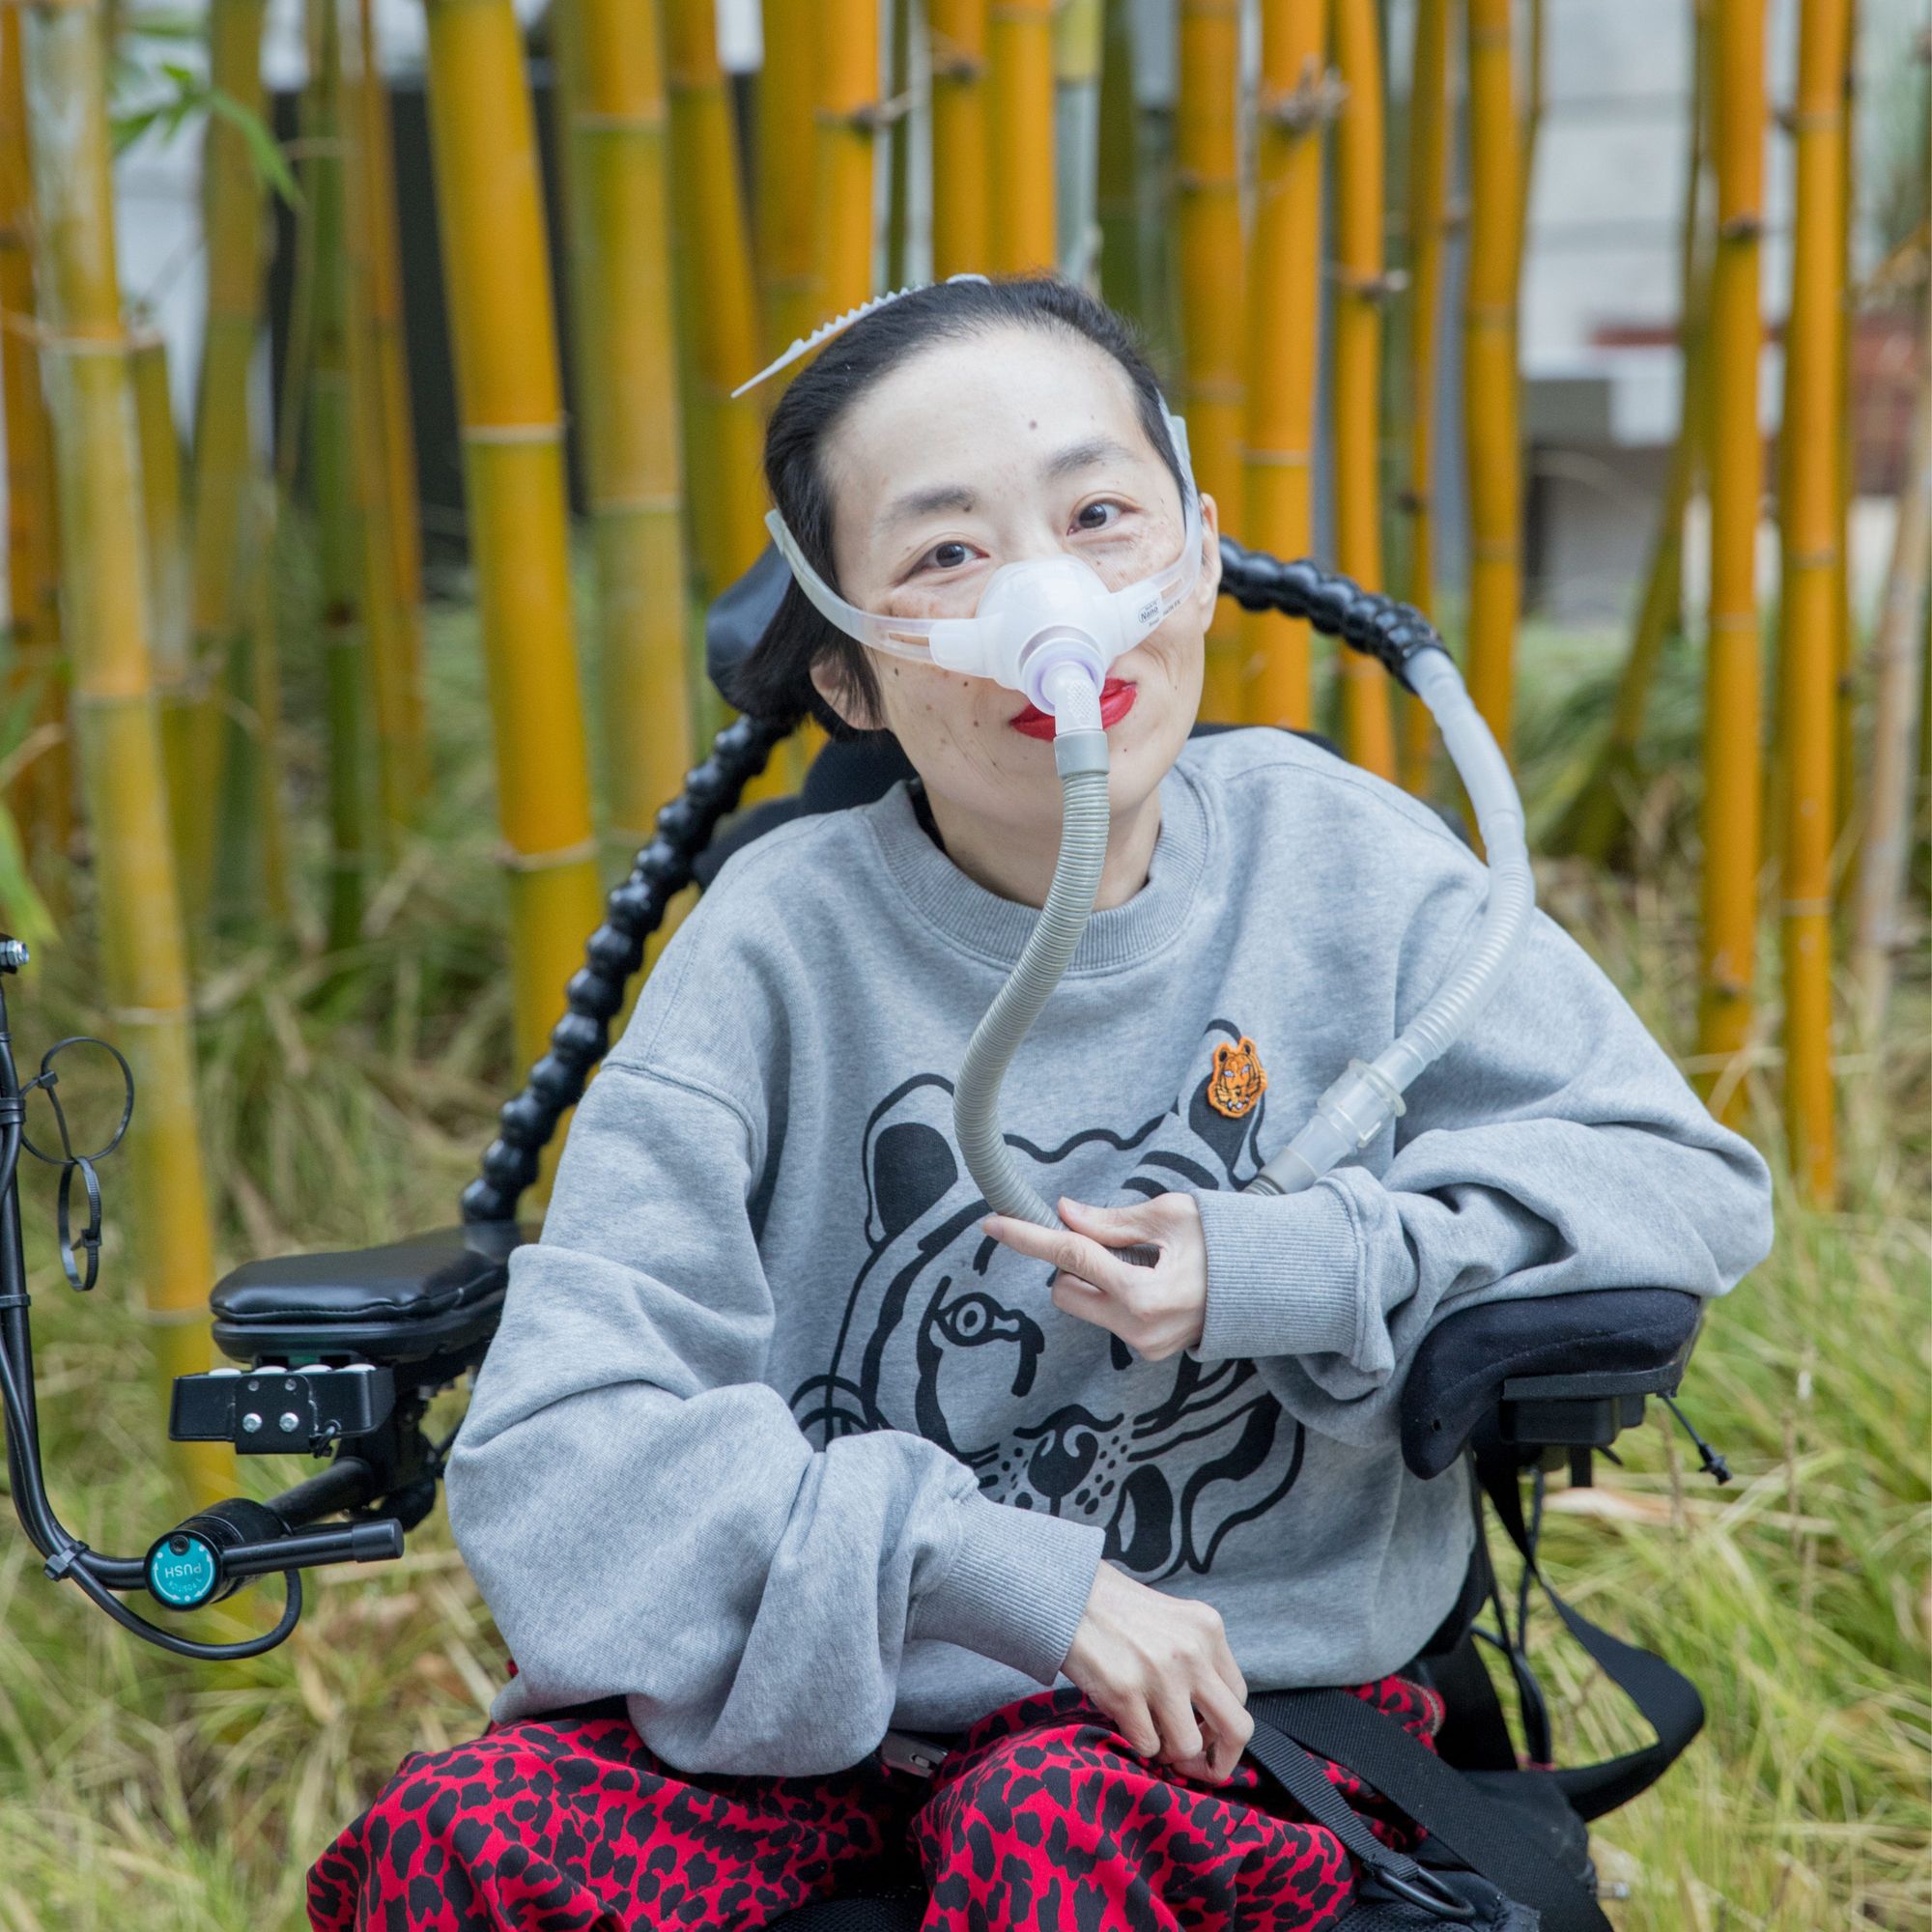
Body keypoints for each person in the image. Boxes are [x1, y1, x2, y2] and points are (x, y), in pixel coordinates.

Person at [305, 273, 1775, 1932]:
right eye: (947, 554)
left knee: (1045, 1822)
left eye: (1096, 514)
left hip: (1239, 1719)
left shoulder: (1342, 866)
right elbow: (563, 1441)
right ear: (853, 677)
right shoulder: (776, 948)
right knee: (457, 1843)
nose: (1052, 600)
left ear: (1200, 556)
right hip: (830, 1711)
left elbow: (1680, 1182)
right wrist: (1004, 1575)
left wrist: (1293, 1263)